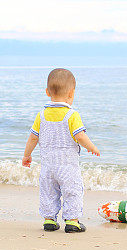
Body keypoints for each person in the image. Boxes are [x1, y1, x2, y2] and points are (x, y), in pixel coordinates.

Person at [22, 68, 100, 233]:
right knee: (72, 191)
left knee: (48, 192)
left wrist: (27, 155)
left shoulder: (41, 115)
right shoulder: (72, 115)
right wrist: (91, 147)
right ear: (71, 93)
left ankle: (49, 220)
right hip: (68, 167)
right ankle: (72, 221)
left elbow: (33, 138)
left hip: (48, 167)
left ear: (47, 92)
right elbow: (80, 136)